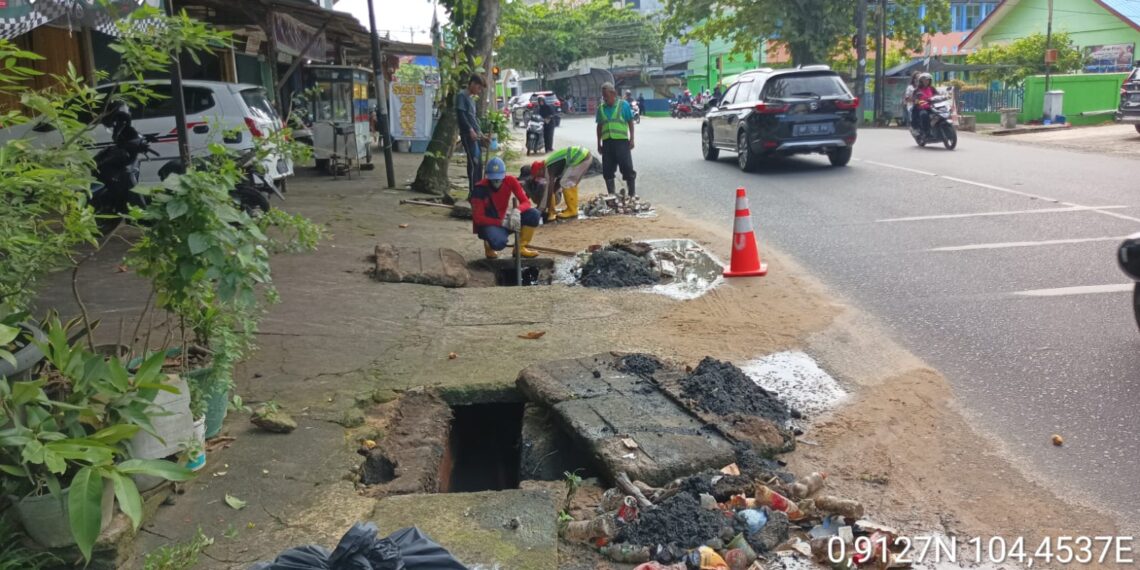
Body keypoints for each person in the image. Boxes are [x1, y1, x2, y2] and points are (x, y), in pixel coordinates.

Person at [470, 157, 541, 259]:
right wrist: (501, 223)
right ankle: (489, 245)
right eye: (493, 179)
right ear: (488, 177)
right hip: (488, 224)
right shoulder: (480, 189)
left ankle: (519, 248)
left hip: (504, 218)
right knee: (498, 243)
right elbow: (478, 219)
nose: (496, 181)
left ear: (504, 175)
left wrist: (517, 211)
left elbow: (526, 202)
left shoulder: (510, 181)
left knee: (534, 214)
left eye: (499, 178)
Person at [528, 145, 600, 221]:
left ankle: (572, 211)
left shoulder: (547, 168)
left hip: (579, 156)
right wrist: (551, 200)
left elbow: (549, 190)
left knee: (567, 182)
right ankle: (572, 209)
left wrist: (544, 209)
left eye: (538, 176)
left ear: (540, 170)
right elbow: (556, 185)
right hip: (583, 155)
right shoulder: (552, 165)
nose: (541, 178)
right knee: (566, 181)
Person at [595, 82, 637, 197]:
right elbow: (599, 127)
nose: (605, 98)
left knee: (627, 168)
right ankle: (612, 195)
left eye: (606, 96)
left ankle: (632, 194)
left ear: (613, 94)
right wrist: (599, 144)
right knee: (607, 170)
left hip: (622, 142)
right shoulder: (601, 108)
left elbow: (630, 122)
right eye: (603, 96)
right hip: (607, 143)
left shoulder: (624, 105)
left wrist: (632, 139)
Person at [456, 74, 486, 199]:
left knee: (479, 164)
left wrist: (482, 135)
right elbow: (461, 115)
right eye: (479, 88)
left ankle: (478, 191)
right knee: (473, 163)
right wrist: (470, 130)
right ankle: (473, 193)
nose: (479, 91)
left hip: (475, 135)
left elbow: (473, 119)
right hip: (468, 135)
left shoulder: (471, 99)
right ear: (472, 84)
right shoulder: (462, 96)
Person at [913, 73, 937, 137]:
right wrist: (917, 100)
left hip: (932, 107)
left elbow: (938, 95)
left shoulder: (932, 88)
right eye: (924, 80)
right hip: (922, 108)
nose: (926, 81)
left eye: (928, 80)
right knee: (924, 115)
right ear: (921, 81)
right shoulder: (917, 90)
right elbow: (915, 99)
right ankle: (927, 131)